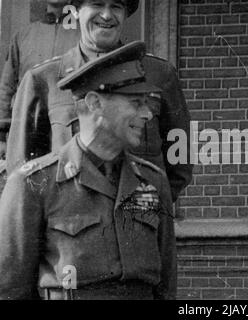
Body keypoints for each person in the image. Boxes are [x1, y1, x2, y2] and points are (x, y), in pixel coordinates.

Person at [0, 41, 176, 300]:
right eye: (136, 103)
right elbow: (10, 290)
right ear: (94, 103)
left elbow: (166, 289)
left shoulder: (154, 181)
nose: (148, 114)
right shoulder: (33, 184)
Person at [5, 0, 192, 203]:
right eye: (97, 4)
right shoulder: (43, 79)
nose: (106, 15)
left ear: (126, 14)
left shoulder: (159, 74)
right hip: (70, 225)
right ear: (76, 11)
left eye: (116, 7)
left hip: (137, 220)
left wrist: (149, 208)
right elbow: (22, 171)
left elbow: (179, 159)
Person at [0, 0, 81, 158]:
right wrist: (1, 136)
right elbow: (6, 87)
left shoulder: (85, 35)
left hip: (69, 133)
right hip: (26, 129)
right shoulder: (23, 36)